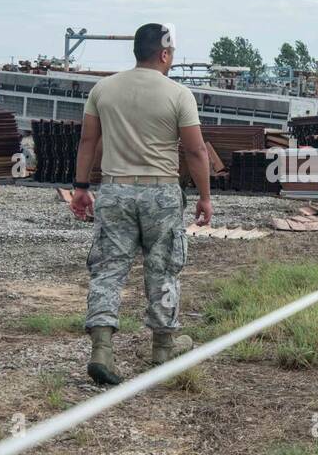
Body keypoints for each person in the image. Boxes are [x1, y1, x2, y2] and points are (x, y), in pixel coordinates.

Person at [68, 23, 213, 385]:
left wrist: (81, 187)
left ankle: (102, 349)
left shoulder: (103, 89)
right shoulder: (179, 95)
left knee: (108, 270)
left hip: (115, 191)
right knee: (163, 271)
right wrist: (205, 197)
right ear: (165, 54)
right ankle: (163, 348)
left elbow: (88, 141)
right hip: (160, 194)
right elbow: (195, 150)